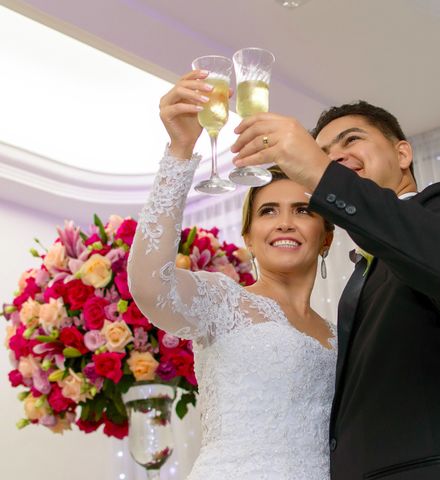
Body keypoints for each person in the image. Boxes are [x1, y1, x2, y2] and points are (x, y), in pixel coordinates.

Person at [231, 101, 440, 479]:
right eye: (324, 153)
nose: (335, 158)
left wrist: (319, 171)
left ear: (403, 154)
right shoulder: (367, 269)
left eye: (351, 140)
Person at [127, 70, 336, 480]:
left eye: (303, 211)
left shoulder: (341, 333)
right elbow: (151, 287)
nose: (285, 223)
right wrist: (180, 150)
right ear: (249, 237)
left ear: (326, 238)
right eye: (268, 211)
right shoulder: (223, 301)